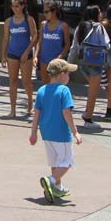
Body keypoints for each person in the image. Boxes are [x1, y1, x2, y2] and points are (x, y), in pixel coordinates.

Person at [29, 59, 82, 203]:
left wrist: (33, 132)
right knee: (67, 161)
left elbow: (37, 112)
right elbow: (66, 111)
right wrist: (75, 131)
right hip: (61, 133)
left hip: (46, 133)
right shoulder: (64, 90)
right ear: (62, 74)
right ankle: (51, 180)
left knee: (55, 161)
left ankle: (57, 187)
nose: (69, 77)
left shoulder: (42, 90)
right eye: (68, 74)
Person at [72, 4, 110, 129]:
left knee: (92, 89)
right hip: (96, 62)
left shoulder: (80, 26)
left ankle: (88, 114)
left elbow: (74, 47)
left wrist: (69, 62)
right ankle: (88, 117)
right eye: (99, 11)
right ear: (95, 14)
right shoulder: (99, 27)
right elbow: (106, 44)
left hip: (83, 62)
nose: (101, 14)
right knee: (93, 91)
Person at [1, 0, 38, 119]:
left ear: (22, 6)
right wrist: (3, 56)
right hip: (12, 53)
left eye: (17, 6)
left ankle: (30, 103)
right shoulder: (8, 21)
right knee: (13, 81)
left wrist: (27, 52)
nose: (15, 9)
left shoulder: (29, 19)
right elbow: (6, 38)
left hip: (26, 54)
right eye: (13, 6)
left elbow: (34, 36)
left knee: (26, 81)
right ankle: (12, 109)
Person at [37, 2, 72, 84]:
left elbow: (67, 44)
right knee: (45, 85)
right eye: (43, 12)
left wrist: (60, 57)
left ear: (54, 11)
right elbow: (40, 41)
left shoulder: (63, 26)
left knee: (56, 85)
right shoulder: (43, 24)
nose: (44, 14)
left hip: (57, 60)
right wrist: (36, 56)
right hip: (44, 59)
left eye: (46, 12)